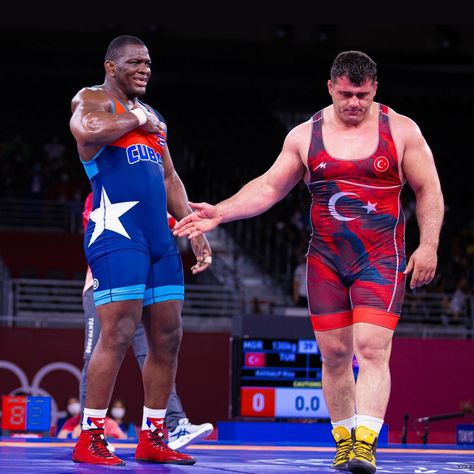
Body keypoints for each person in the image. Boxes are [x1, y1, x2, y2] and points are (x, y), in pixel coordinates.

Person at [174, 50, 444, 473]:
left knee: (371, 348)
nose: (354, 103)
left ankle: (366, 444)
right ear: (330, 87)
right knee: (334, 354)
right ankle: (343, 440)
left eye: (363, 95)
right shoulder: (305, 135)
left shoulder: (402, 130)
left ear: (375, 89)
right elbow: (268, 187)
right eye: (346, 94)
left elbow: (429, 189)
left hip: (381, 257)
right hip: (327, 262)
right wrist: (221, 212)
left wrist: (428, 246)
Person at [69, 34, 213, 466]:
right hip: (117, 235)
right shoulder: (92, 98)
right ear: (111, 67)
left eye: (148, 62)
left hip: (159, 238)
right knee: (115, 332)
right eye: (135, 62)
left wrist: (193, 224)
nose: (145, 69)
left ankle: (154, 434)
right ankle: (90, 436)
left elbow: (170, 179)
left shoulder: (153, 116)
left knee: (168, 335)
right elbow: (85, 131)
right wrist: (134, 123)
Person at [80, 192, 214, 449]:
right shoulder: (100, 192)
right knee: (97, 354)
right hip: (105, 289)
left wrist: (195, 228)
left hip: (143, 287)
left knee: (153, 353)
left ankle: (172, 425)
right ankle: (91, 434)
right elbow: (104, 233)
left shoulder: (152, 190)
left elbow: (169, 217)